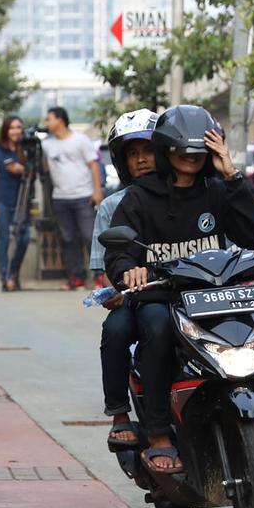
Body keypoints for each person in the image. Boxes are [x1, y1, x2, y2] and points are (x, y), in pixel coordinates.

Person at [104, 105, 254, 475]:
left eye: (199, 151)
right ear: (166, 150)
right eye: (181, 151)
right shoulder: (139, 197)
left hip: (218, 295)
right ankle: (158, 433)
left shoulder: (219, 190)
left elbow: (253, 231)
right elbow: (118, 252)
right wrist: (129, 270)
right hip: (164, 298)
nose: (190, 158)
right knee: (153, 323)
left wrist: (231, 171)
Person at [89, 108, 157, 449]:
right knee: (115, 330)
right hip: (142, 298)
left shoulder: (192, 195)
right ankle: (119, 413)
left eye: (148, 150)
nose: (142, 160)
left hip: (192, 295)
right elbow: (106, 270)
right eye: (133, 154)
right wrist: (114, 291)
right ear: (122, 161)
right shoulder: (112, 206)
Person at [41, 106, 104, 290]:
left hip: (83, 196)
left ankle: (100, 276)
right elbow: (44, 168)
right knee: (69, 239)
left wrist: (97, 191)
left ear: (60, 119)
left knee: (89, 236)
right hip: (60, 198)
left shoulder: (80, 140)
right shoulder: (46, 144)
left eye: (49, 119)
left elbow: (93, 165)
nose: (47, 123)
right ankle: (76, 277)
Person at [0, 116, 31, 292]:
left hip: (21, 201)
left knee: (24, 238)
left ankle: (14, 273)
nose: (16, 131)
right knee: (3, 239)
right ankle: (5, 278)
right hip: (1, 200)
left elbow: (34, 173)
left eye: (19, 127)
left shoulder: (25, 151)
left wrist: (23, 169)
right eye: (12, 127)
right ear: (5, 130)